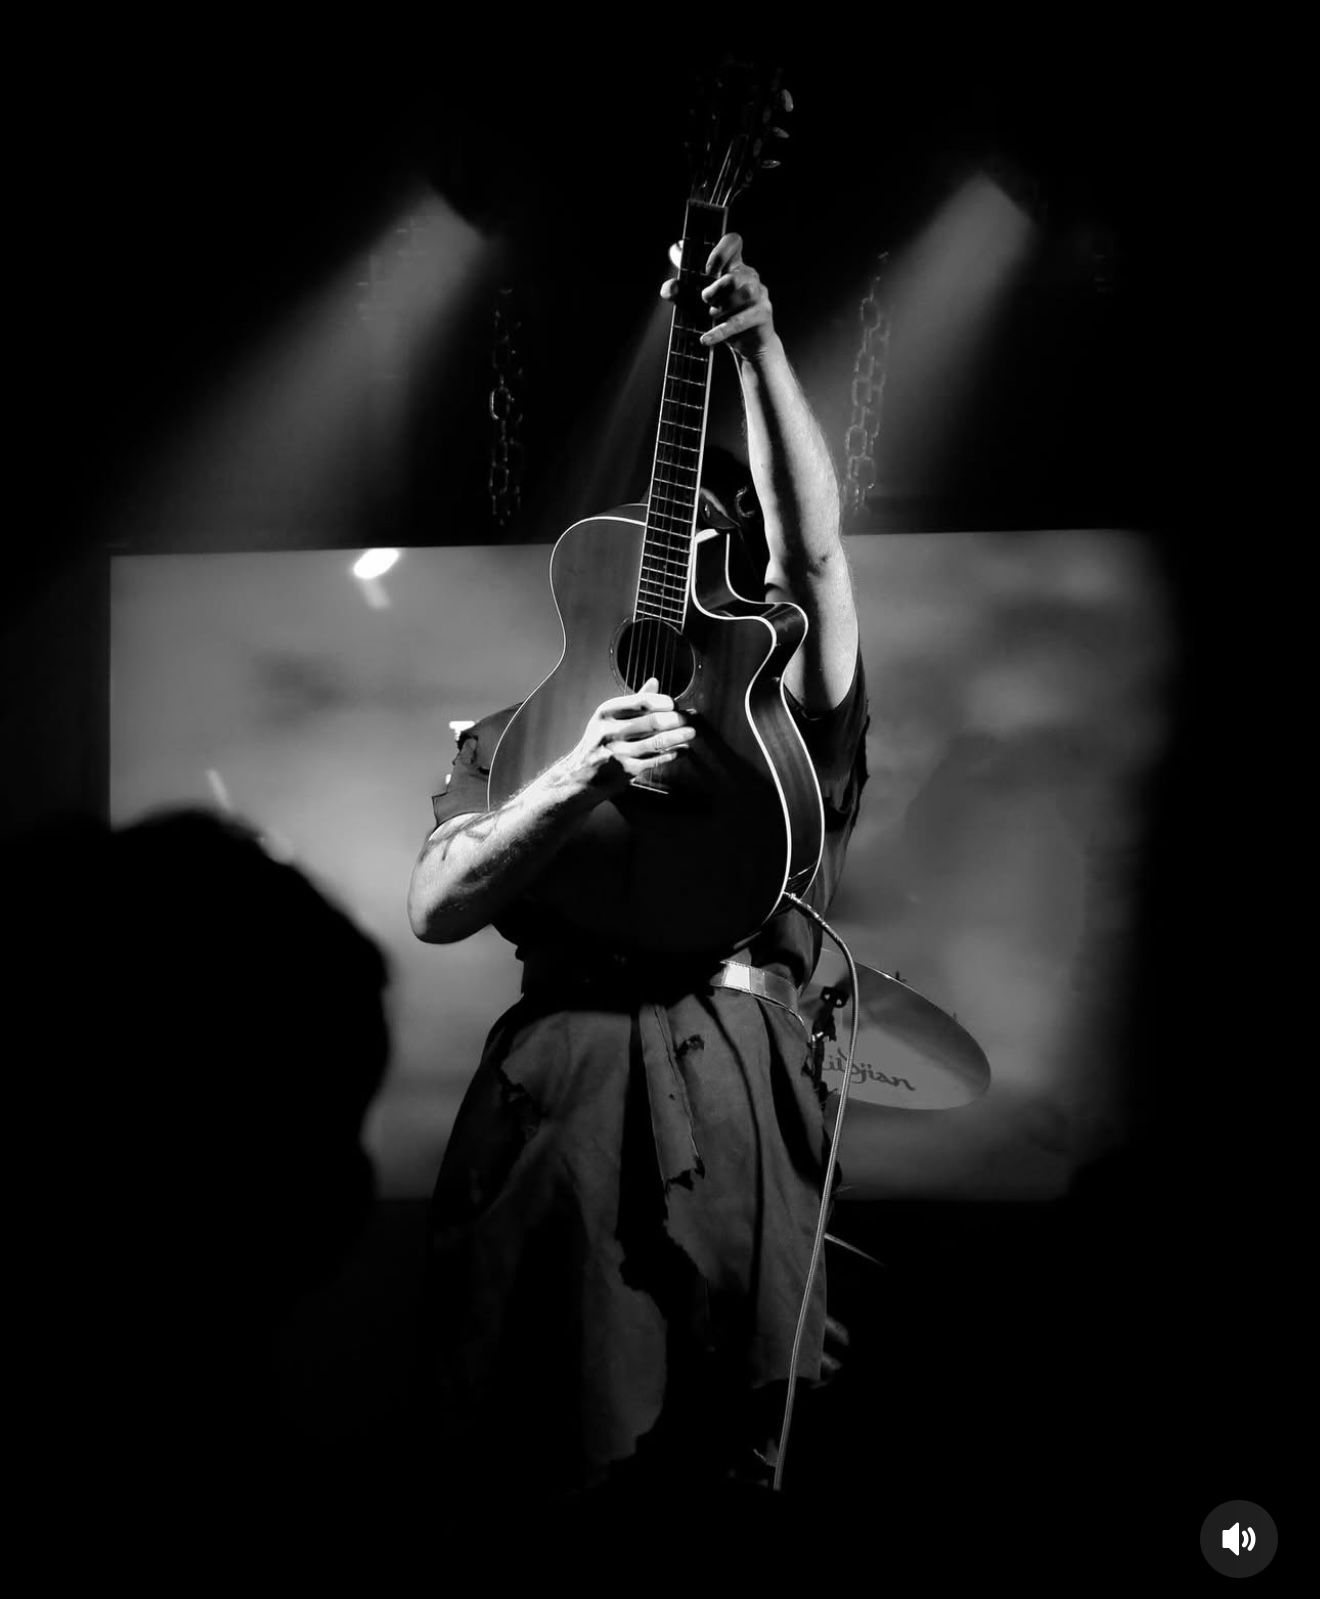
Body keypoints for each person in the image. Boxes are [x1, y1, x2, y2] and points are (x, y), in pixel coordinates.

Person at [408, 233, 869, 1518]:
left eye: (728, 552)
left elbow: (813, 558)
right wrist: (577, 780)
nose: (702, 570)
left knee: (738, 1446)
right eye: (675, 553)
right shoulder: (515, 740)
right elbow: (437, 904)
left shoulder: (781, 714)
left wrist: (759, 347)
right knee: (539, 1436)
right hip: (560, 1099)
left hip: (736, 1084)